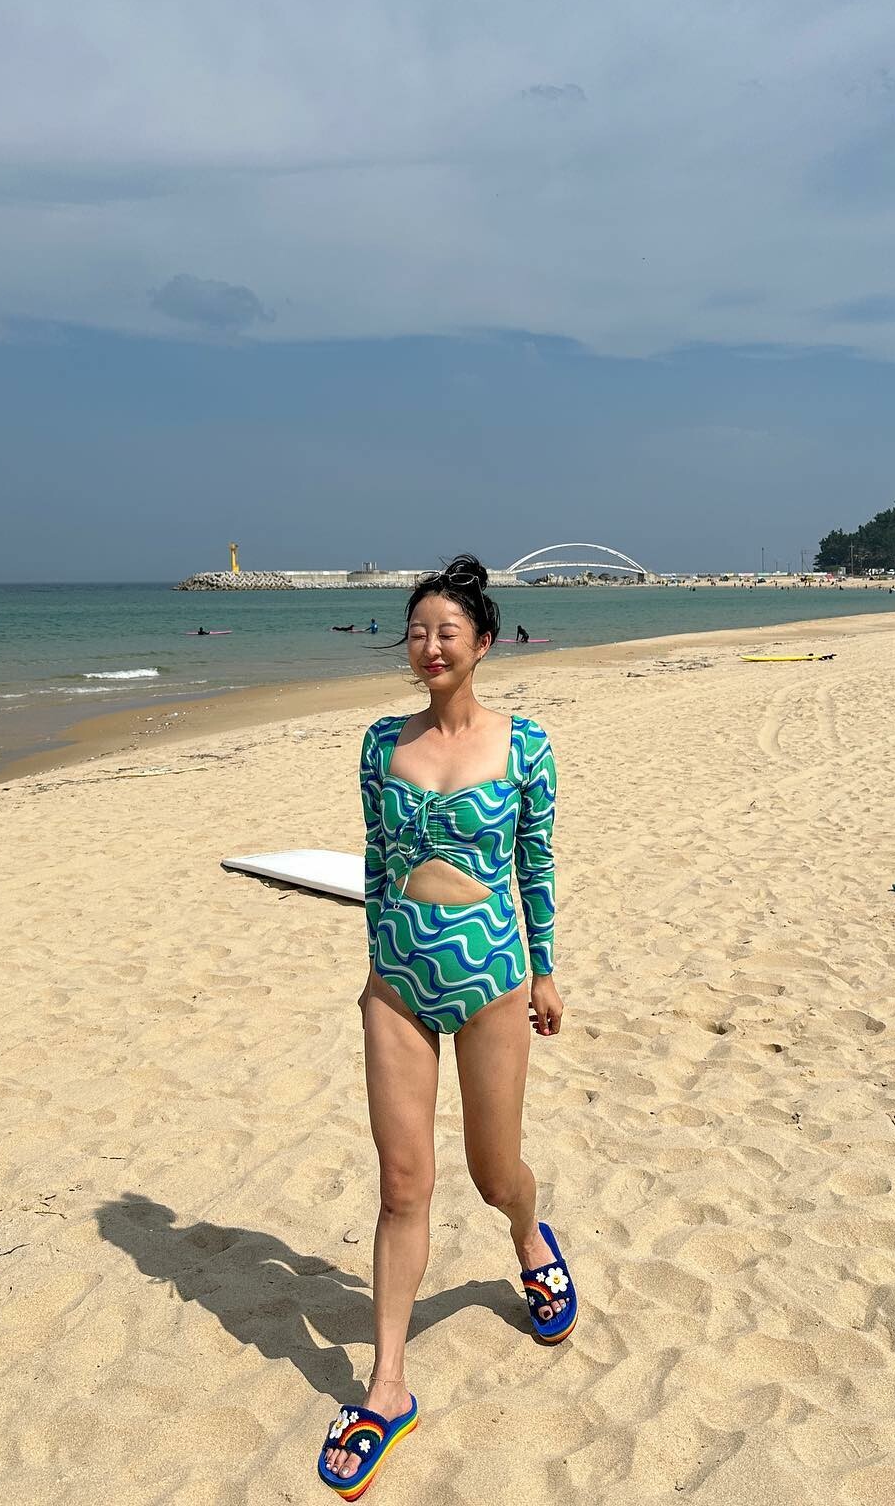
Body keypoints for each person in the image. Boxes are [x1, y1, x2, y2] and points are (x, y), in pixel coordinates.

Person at [316, 555, 576, 1497]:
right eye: (418, 632)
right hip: (397, 983)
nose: (430, 646)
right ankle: (387, 1387)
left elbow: (535, 865)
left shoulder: (526, 745)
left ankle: (529, 1236)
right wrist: (376, 967)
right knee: (402, 1185)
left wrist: (545, 970)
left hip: (494, 978)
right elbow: (375, 862)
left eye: (448, 632)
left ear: (483, 644)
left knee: (492, 1173)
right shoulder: (379, 744)